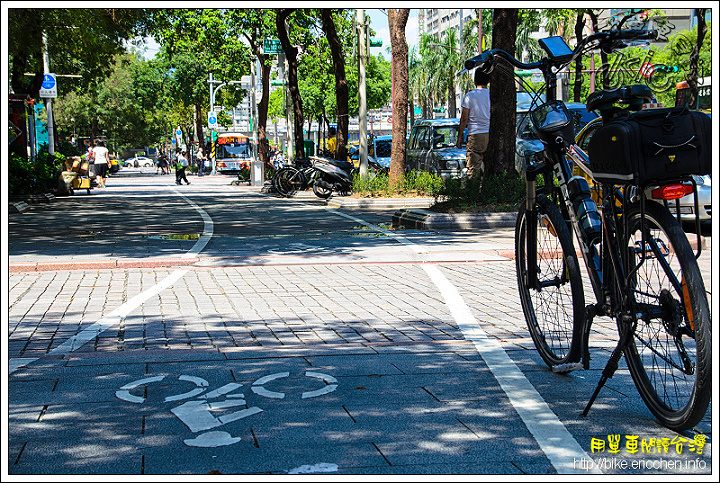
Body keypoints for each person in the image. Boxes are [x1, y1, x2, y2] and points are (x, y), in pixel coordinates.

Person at [457, 68, 491, 183]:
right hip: (490, 134)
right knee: (490, 169)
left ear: (475, 80)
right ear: (489, 80)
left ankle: (474, 196)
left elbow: (464, 119)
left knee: (473, 169)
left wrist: (459, 136)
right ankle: (489, 193)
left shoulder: (470, 96)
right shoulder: (492, 95)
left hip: (475, 136)